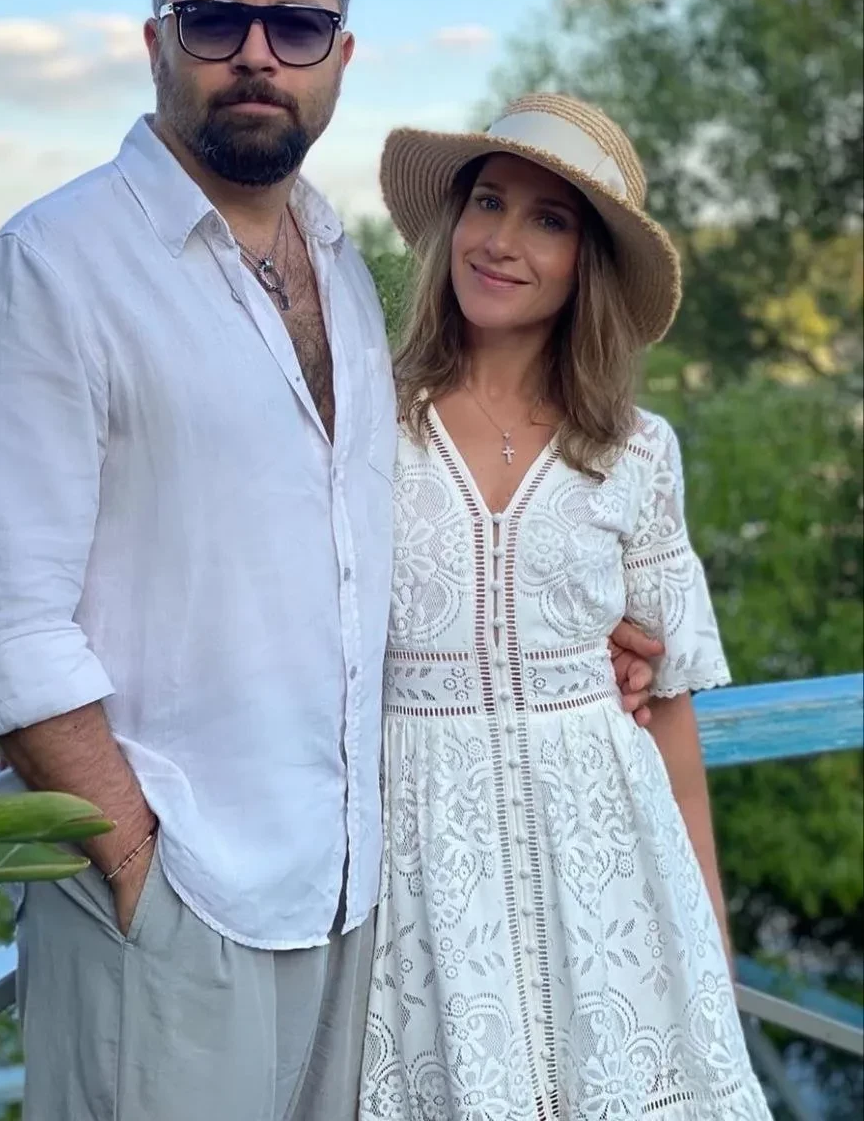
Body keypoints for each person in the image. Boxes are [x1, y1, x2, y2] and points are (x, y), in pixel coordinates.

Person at [0, 0, 660, 1121]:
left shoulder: (341, 266)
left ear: (339, 56)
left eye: (295, 26)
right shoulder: (44, 271)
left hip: (353, 901)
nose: (256, 54)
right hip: (170, 904)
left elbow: (367, 545)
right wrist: (138, 866)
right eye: (215, 20)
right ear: (155, 39)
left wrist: (573, 629)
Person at [357, 93, 773, 1119]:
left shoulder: (635, 451)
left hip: (612, 880)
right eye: (486, 202)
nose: (501, 240)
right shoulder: (364, 424)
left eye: (547, 219)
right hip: (425, 881)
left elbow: (666, 713)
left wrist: (708, 946)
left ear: (586, 262)